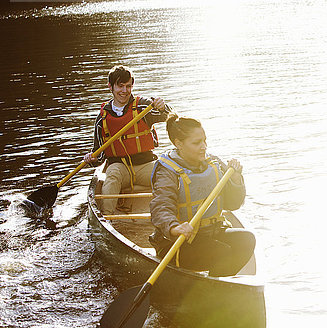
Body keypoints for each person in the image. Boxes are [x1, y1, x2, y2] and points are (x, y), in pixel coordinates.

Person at [149, 114, 255, 276]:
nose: (204, 146)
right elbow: (161, 207)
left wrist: (235, 179)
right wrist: (174, 227)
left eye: (204, 140)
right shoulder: (167, 171)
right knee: (222, 252)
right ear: (178, 144)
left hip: (210, 232)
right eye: (196, 143)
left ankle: (216, 286)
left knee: (247, 240)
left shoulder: (214, 163)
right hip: (177, 243)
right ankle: (214, 289)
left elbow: (233, 204)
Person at [83, 65, 170, 211]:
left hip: (145, 165)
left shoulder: (143, 106)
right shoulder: (102, 118)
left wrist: (163, 107)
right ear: (110, 86)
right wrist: (91, 160)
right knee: (112, 176)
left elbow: (168, 116)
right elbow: (99, 155)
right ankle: (109, 218)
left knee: (167, 175)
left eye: (128, 86)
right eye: (120, 86)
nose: (124, 91)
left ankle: (169, 213)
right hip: (120, 168)